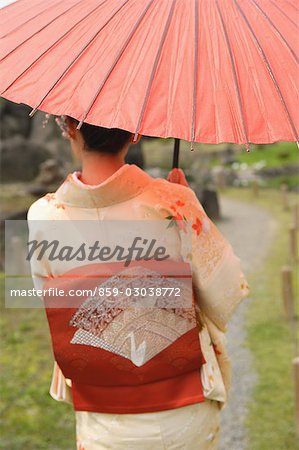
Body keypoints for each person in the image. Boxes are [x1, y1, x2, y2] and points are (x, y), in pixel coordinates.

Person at [28, 116, 249, 450]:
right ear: (135, 133)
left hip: (102, 414)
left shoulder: (42, 216)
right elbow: (225, 293)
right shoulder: (173, 204)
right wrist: (184, 202)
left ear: (69, 127)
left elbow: (50, 301)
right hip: (183, 406)